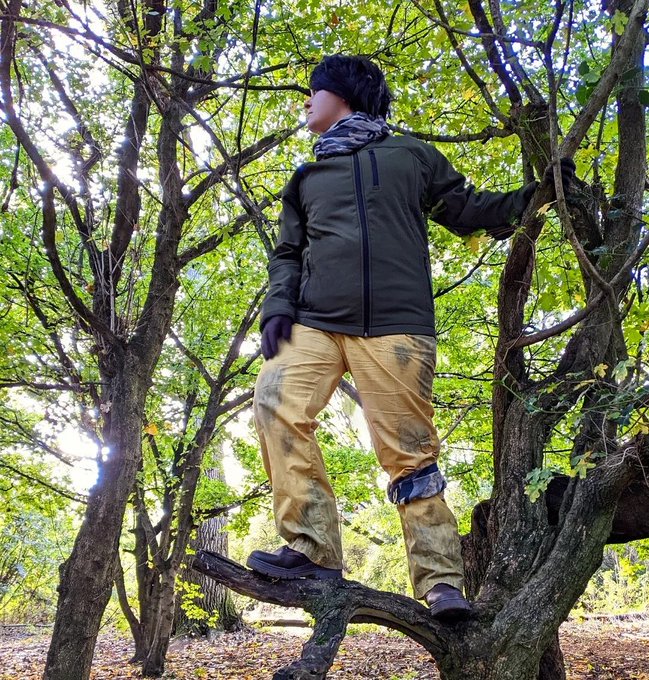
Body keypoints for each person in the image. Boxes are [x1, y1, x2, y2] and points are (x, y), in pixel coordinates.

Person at [246, 55, 575, 621]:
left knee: (409, 453)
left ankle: (441, 582)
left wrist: (540, 193)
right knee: (274, 401)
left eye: (314, 91)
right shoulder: (306, 179)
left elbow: (469, 210)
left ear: (343, 94)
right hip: (315, 322)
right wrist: (278, 307)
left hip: (398, 326)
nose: (306, 102)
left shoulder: (410, 156)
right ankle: (312, 549)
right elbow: (288, 255)